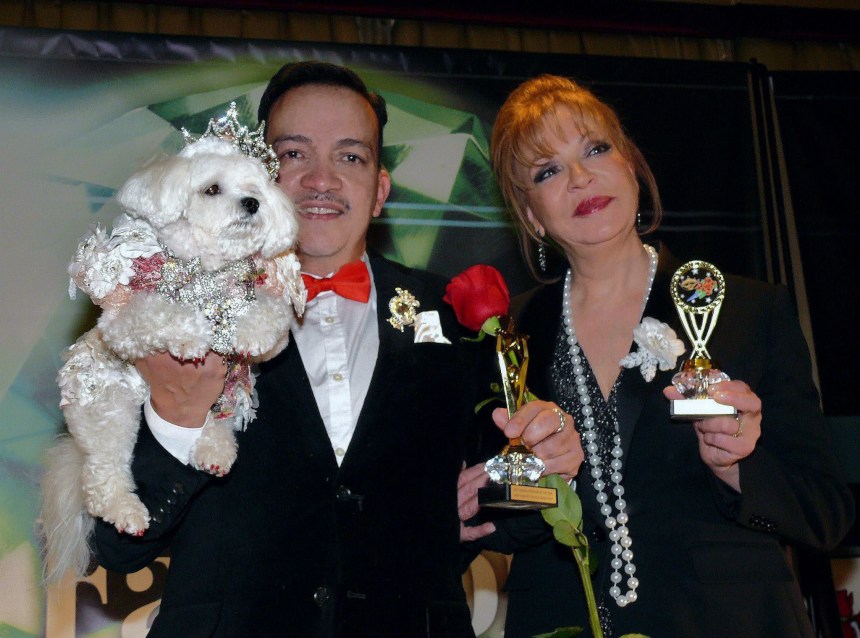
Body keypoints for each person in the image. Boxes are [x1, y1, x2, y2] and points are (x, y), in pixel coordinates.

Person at [90, 62, 583, 638]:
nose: (321, 180)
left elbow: (501, 517)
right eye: (294, 155)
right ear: (254, 177)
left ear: (379, 191)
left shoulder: (454, 316)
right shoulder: (167, 310)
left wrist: (546, 470)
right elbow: (112, 545)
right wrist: (176, 419)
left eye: (351, 157)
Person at [458, 74, 856, 638]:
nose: (580, 178)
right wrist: (538, 480)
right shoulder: (508, 335)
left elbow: (825, 513)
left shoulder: (745, 308)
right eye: (548, 171)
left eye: (596, 149)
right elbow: (488, 523)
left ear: (631, 165)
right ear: (531, 215)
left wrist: (737, 465)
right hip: (560, 619)